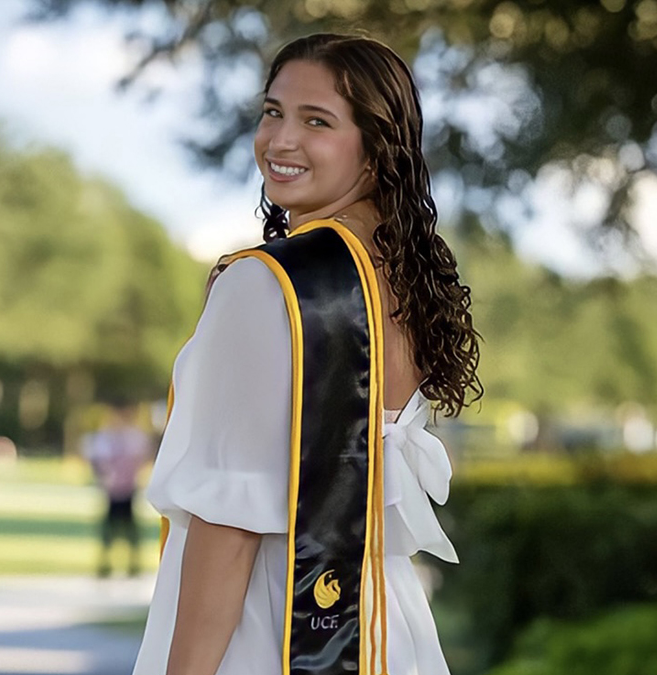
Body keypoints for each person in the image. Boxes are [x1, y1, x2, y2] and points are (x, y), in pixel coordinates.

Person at [133, 33, 482, 675]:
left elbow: (229, 526)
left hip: (266, 632)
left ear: (376, 150)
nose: (280, 140)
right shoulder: (409, 280)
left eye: (316, 121)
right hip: (386, 629)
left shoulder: (270, 284)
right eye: (273, 112)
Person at [84, 403, 152, 577]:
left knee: (129, 528)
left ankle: (133, 563)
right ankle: (105, 563)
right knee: (109, 528)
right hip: (112, 489)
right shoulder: (105, 437)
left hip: (128, 489)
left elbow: (140, 459)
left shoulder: (133, 437)